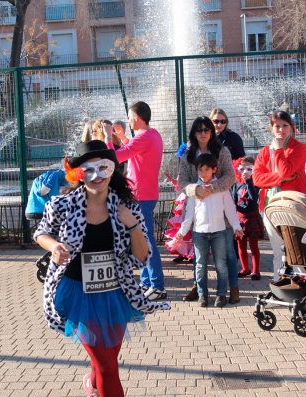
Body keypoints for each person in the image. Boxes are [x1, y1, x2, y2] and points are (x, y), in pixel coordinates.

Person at [34, 140, 170, 397]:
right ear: (78, 173)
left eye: (103, 168)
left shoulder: (127, 206)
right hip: (78, 293)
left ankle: (92, 384)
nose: (97, 176)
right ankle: (99, 383)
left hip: (115, 292)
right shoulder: (62, 206)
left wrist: (132, 225)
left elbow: (142, 257)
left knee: (107, 358)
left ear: (112, 170)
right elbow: (41, 233)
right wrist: (53, 247)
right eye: (89, 170)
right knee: (108, 365)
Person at [104, 101, 166, 300]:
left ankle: (157, 286)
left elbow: (115, 158)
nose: (128, 119)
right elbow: (135, 150)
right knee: (142, 239)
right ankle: (148, 283)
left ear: (137, 118)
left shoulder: (145, 137)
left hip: (142, 196)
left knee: (146, 242)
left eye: (130, 116)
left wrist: (108, 137)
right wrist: (122, 137)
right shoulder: (152, 134)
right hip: (146, 194)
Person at [178, 116, 238, 303]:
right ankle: (199, 289)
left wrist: (211, 188)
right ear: (194, 133)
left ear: (212, 132)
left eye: (206, 130)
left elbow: (230, 176)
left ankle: (233, 288)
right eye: (199, 130)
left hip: (221, 210)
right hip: (198, 210)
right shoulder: (188, 154)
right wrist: (196, 190)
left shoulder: (222, 151)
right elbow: (182, 181)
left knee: (227, 254)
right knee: (199, 257)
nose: (203, 133)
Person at [253, 111, 306, 281]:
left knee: (295, 249)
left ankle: (302, 287)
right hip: (270, 205)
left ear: (291, 127)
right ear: (271, 128)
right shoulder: (264, 152)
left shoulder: (299, 148)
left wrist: (279, 150)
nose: (281, 129)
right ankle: (278, 284)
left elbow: (286, 169)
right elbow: (257, 179)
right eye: (277, 126)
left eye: (285, 125)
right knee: (278, 250)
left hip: (293, 205)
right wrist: (280, 178)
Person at [231, 156, 264, 280]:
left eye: (249, 169)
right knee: (241, 245)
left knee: (254, 246)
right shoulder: (236, 185)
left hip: (252, 219)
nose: (245, 171)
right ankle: (245, 268)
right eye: (242, 168)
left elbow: (253, 197)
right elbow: (233, 201)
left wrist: (249, 181)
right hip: (240, 219)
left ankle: (256, 271)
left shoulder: (255, 184)